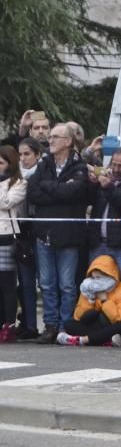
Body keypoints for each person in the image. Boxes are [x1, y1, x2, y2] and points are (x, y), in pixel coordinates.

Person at [27, 124, 90, 344]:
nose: (50, 140)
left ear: (69, 141)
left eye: (56, 136)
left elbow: (75, 192)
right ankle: (50, 325)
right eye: (50, 136)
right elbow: (33, 192)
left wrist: (49, 188)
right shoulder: (43, 163)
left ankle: (65, 325)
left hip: (69, 234)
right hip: (44, 232)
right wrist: (58, 191)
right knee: (46, 283)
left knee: (66, 283)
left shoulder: (79, 166)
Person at [56, 255, 121, 347]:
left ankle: (82, 340)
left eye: (98, 278)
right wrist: (90, 300)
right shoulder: (89, 288)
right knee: (69, 324)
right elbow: (78, 317)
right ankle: (105, 341)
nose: (95, 282)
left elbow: (119, 318)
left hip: (116, 326)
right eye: (92, 278)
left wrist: (104, 300)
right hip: (99, 328)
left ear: (109, 275)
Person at [87, 148, 121, 288]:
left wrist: (108, 186)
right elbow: (88, 200)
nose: (116, 169)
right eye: (114, 164)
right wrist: (92, 183)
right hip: (97, 243)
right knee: (93, 285)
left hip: (120, 245)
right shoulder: (103, 176)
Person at [15, 139, 42, 340]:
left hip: (39, 232)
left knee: (47, 282)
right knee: (25, 283)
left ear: (37, 155)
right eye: (21, 154)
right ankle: (30, 325)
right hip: (21, 234)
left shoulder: (39, 174)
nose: (23, 158)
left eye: (27, 154)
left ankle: (52, 325)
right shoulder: (16, 176)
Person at [0, 146, 27, 342]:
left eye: (0, 163)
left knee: (7, 285)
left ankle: (9, 325)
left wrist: (2, 182)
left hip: (7, 237)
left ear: (10, 164)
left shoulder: (19, 182)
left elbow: (6, 202)